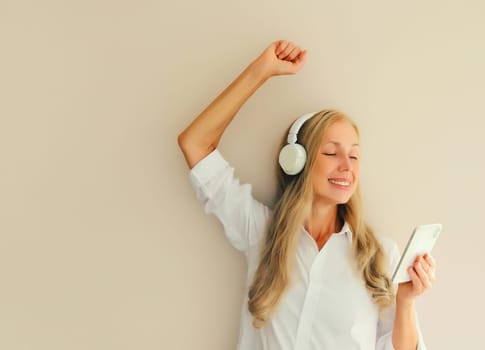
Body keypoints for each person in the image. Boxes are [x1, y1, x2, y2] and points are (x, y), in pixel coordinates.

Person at [177, 39, 436, 350]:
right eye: (331, 153)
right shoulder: (260, 232)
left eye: (353, 156)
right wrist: (262, 71)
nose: (346, 167)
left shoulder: (380, 255)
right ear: (296, 160)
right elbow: (195, 143)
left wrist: (406, 302)